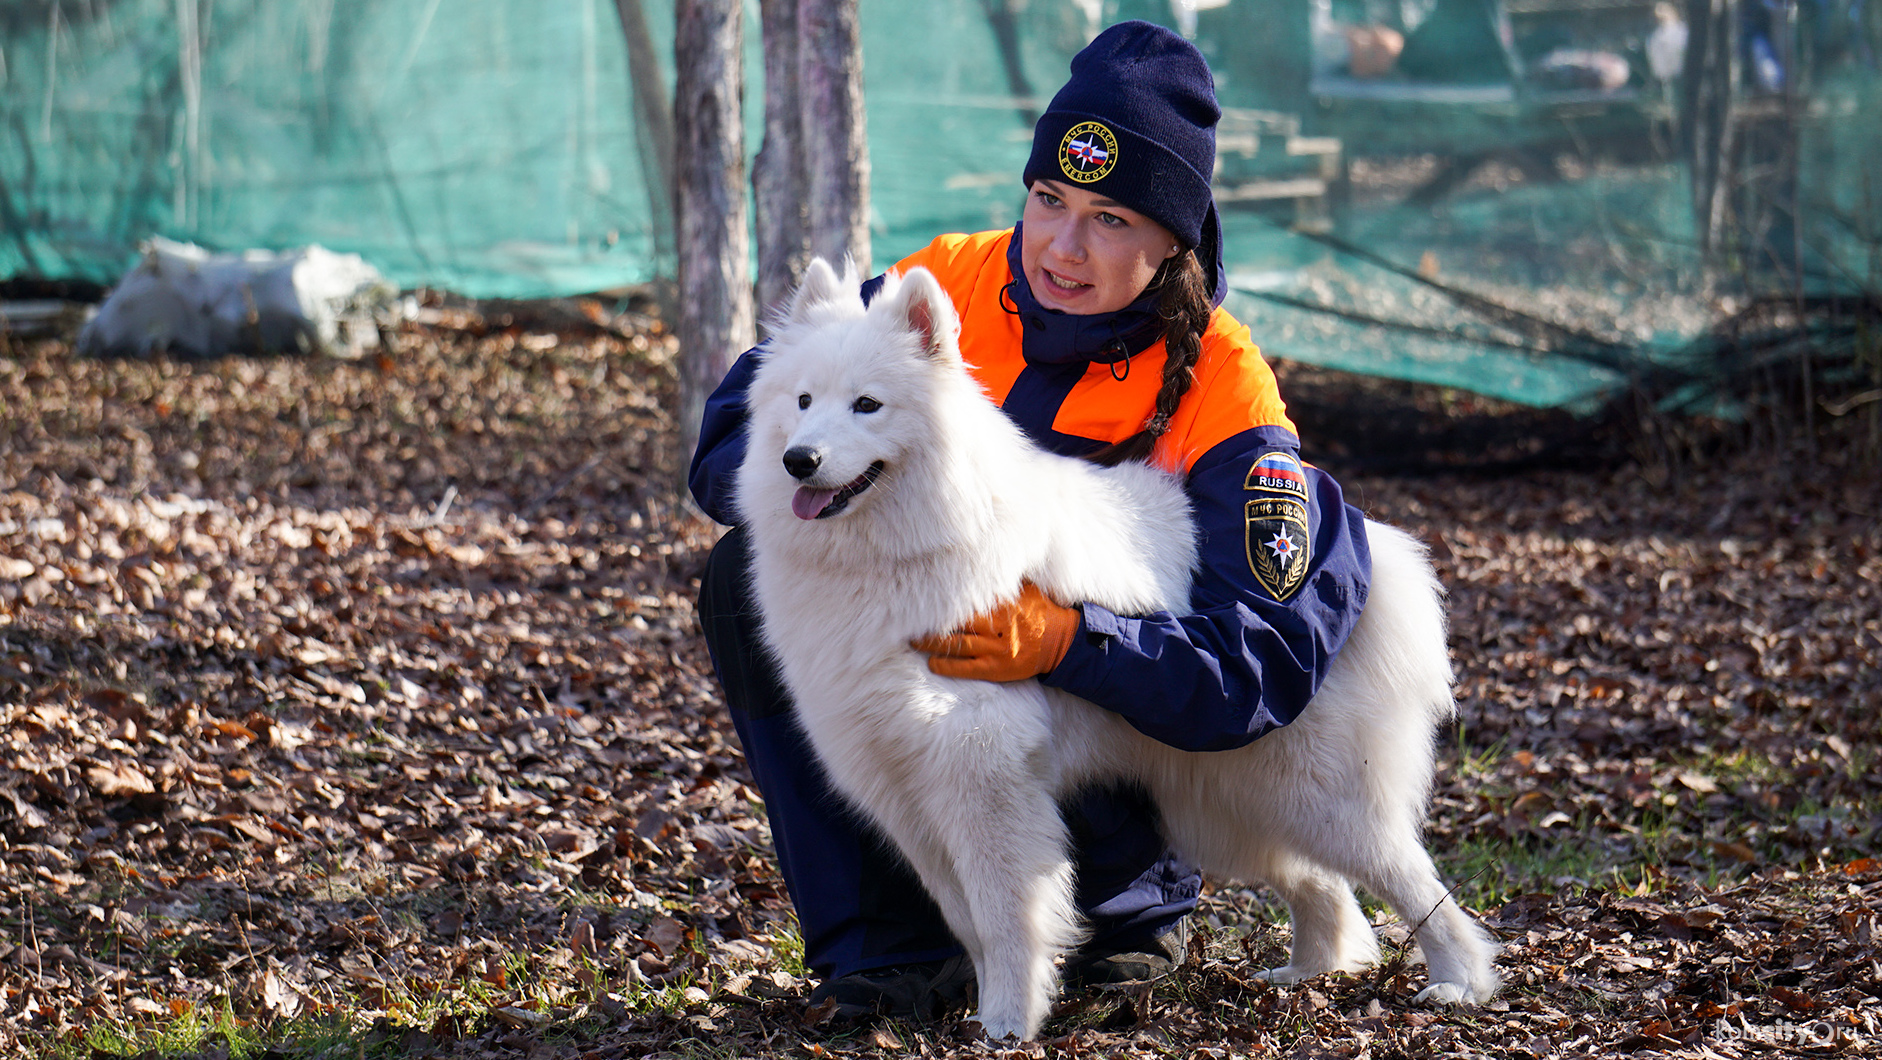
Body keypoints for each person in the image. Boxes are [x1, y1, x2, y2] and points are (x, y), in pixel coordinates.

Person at [688, 20, 1371, 1022]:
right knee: (739, 576)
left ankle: (1125, 917)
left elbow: (1256, 660)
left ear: (1171, 237)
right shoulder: (943, 284)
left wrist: (1070, 637)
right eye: (1048, 199)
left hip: (1105, 729)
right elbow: (744, 431)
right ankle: (886, 944)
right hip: (916, 676)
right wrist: (826, 508)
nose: (1060, 244)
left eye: (1108, 219)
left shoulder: (1225, 386)